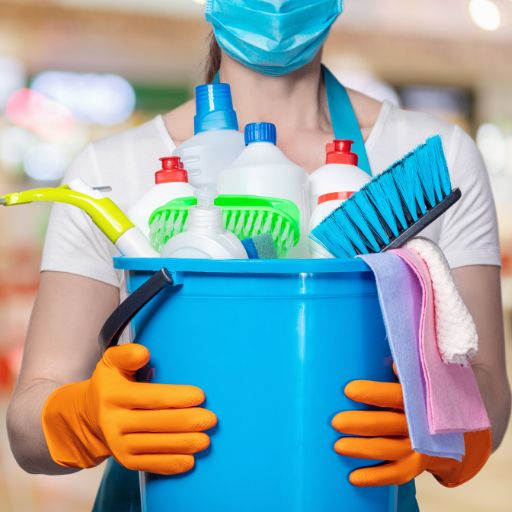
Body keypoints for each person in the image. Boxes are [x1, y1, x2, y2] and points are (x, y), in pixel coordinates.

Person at [6, 1, 511, 511]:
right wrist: (86, 417)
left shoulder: (436, 153)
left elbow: (489, 389)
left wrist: (436, 419)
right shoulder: (110, 168)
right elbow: (27, 424)